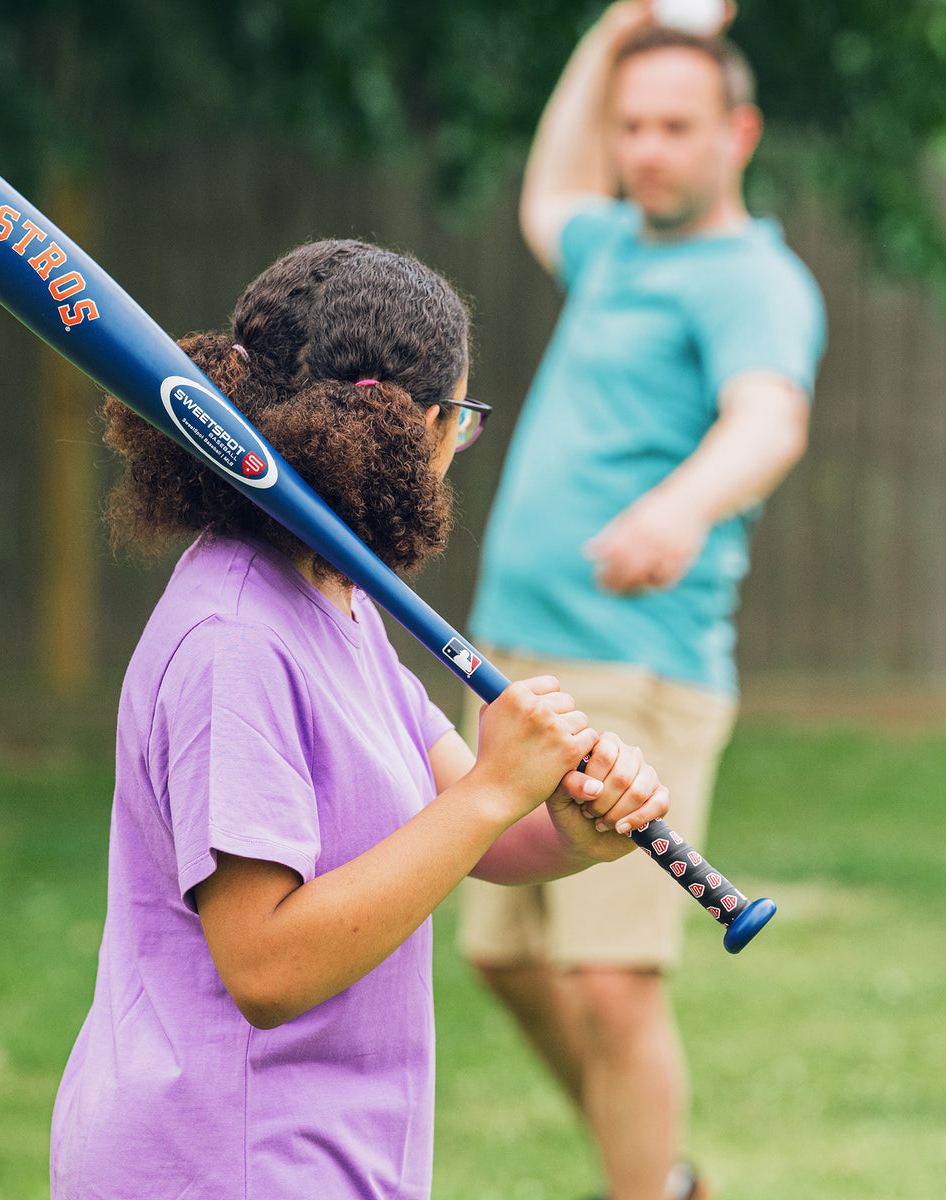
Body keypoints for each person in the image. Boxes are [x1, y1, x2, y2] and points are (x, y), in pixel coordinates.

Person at [49, 238, 672, 1200]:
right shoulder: (237, 638)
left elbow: (464, 822)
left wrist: (566, 831)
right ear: (416, 424)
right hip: (225, 1161)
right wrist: (498, 792)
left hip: (321, 1151)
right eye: (458, 422)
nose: (455, 448)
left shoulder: (335, 602)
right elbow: (266, 964)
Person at [459, 6, 826, 1200]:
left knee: (612, 983)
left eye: (675, 126)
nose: (647, 151)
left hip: (636, 667)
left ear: (739, 133)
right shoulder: (618, 248)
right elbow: (546, 187)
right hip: (517, 658)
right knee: (502, 955)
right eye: (632, 128)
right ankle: (659, 1174)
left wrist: (685, 507)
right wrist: (622, 15)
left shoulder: (754, 279)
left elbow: (767, 418)